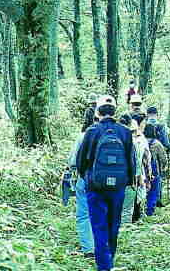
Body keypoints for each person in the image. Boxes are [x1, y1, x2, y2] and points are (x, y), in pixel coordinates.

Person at [76, 96, 136, 271]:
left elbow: (81, 162)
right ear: (114, 111)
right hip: (118, 188)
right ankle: (110, 258)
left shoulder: (92, 131)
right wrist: (128, 182)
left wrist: (88, 179)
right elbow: (131, 160)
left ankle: (104, 266)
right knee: (113, 224)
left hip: (96, 188)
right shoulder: (125, 132)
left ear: (98, 111)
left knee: (98, 225)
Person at [67, 105, 101, 257]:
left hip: (86, 180)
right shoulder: (113, 134)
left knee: (84, 215)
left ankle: (88, 249)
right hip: (106, 182)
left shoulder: (83, 136)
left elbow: (73, 161)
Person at [144, 124, 168, 216]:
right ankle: (150, 211)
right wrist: (162, 168)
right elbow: (163, 159)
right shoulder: (157, 143)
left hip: (143, 168)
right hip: (154, 169)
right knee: (153, 190)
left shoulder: (141, 141)